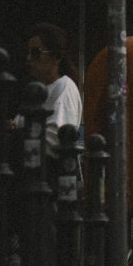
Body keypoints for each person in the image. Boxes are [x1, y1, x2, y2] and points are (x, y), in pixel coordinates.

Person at [24, 23, 82, 181]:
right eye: (28, 53)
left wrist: (17, 134)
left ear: (56, 57)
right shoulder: (37, 91)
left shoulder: (64, 87)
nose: (29, 59)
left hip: (51, 180)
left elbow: (53, 140)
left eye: (36, 53)